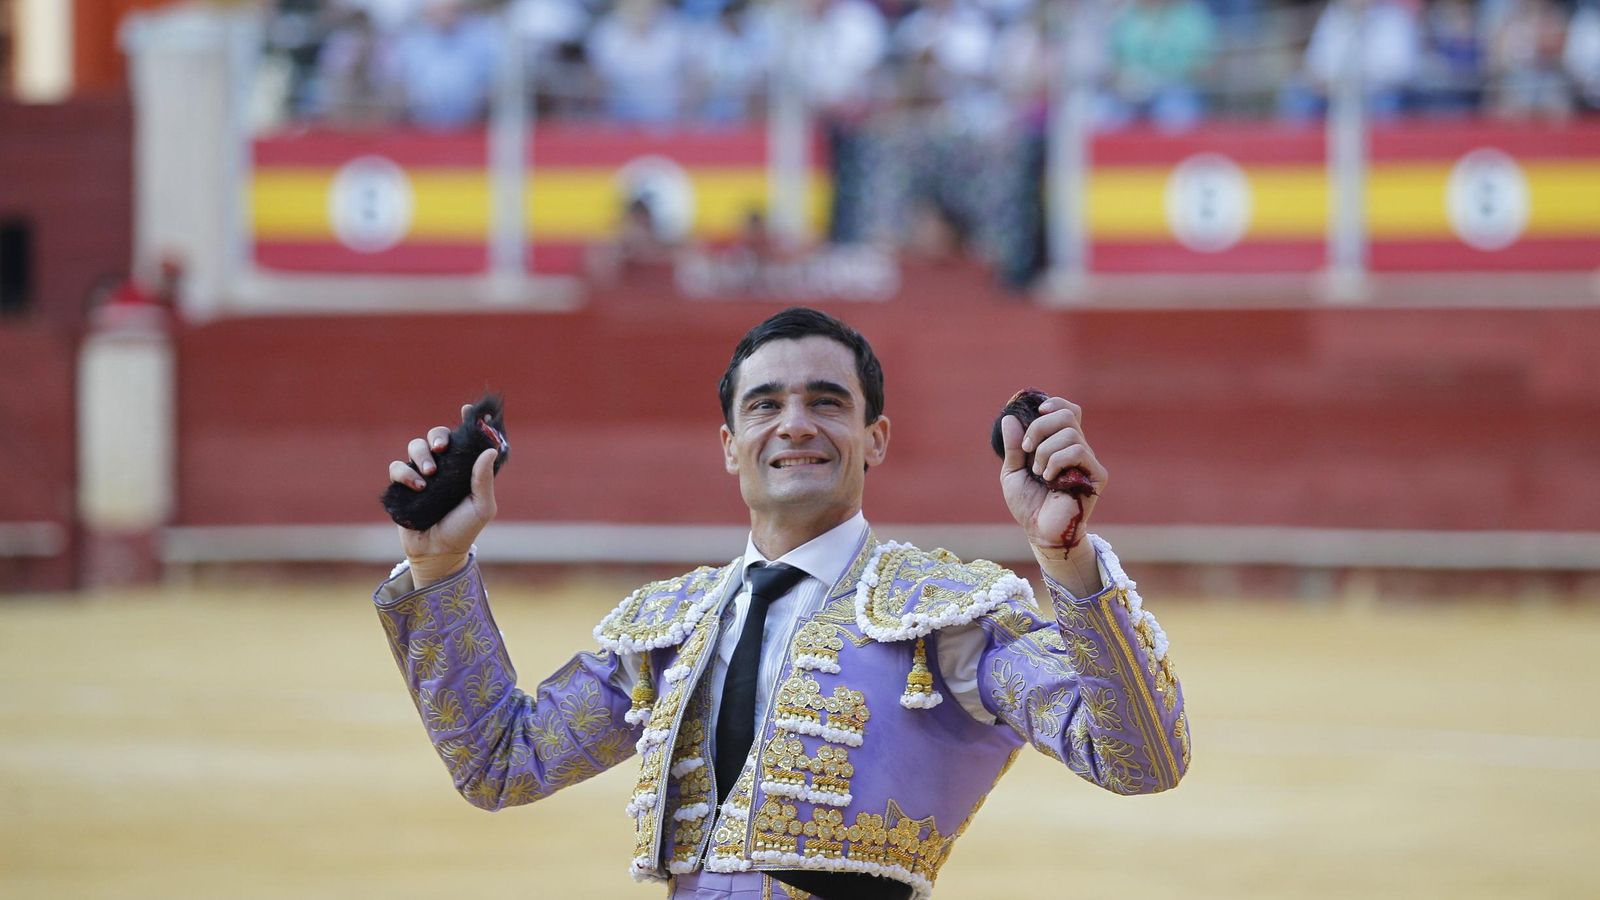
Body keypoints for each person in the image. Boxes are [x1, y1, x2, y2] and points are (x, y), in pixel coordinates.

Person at [372, 307, 1189, 899]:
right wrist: (438, 565)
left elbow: (1140, 760)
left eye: (827, 402)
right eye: (765, 405)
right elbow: (502, 763)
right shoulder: (673, 630)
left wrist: (1067, 560)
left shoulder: (947, 617)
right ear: (731, 447)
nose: (795, 424)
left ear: (876, 439)